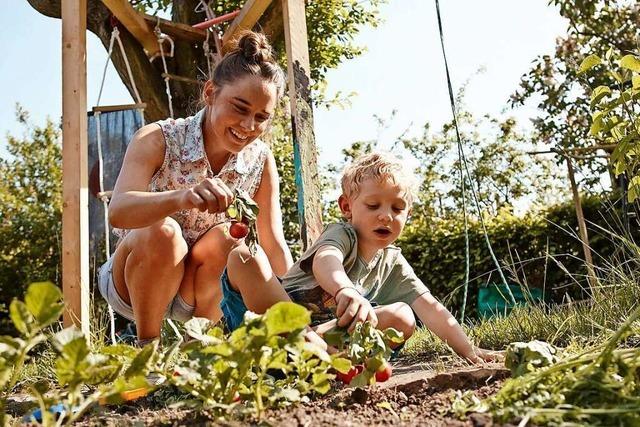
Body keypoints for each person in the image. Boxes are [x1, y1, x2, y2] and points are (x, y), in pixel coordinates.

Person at [97, 31, 293, 346]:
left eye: (261, 118)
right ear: (210, 92)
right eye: (240, 108)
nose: (248, 125)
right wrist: (181, 197)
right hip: (135, 282)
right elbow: (118, 211)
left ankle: (200, 345)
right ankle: (148, 348)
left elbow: (272, 243)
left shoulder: (260, 161)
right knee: (164, 231)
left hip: (199, 288)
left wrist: (298, 303)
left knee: (232, 236)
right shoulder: (158, 138)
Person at [222, 152, 500, 363]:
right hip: (265, 317)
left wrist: (470, 351)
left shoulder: (393, 263)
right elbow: (325, 260)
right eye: (373, 205)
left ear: (408, 215)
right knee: (246, 256)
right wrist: (344, 289)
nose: (386, 215)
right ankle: (299, 344)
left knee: (404, 316)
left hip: (323, 336)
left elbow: (431, 307)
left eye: (398, 208)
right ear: (347, 206)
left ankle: (314, 353)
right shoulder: (342, 234)